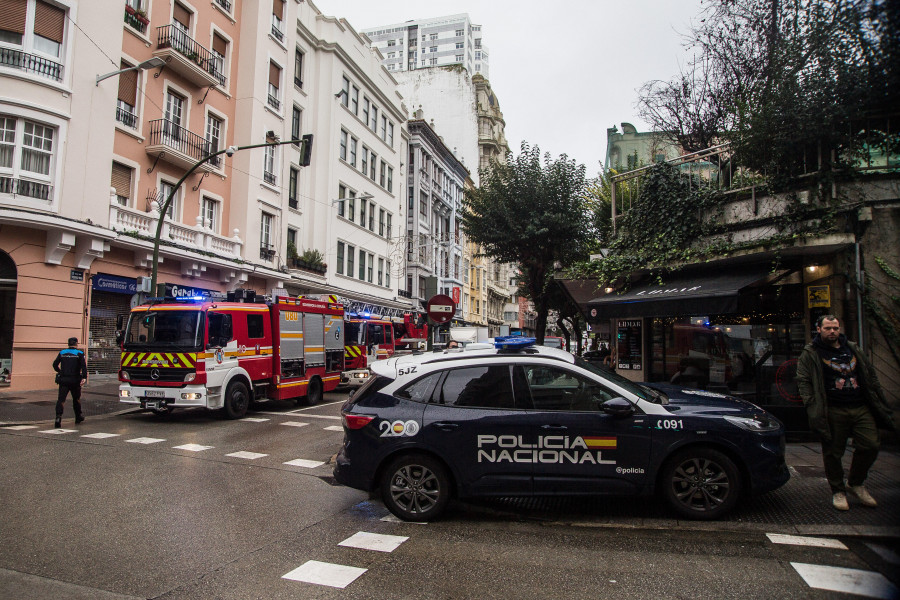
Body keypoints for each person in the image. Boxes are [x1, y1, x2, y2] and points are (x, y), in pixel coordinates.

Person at [796, 315, 895, 511]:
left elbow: (868, 372)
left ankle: (856, 482)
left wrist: (877, 395)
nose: (832, 332)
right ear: (819, 329)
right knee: (833, 452)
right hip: (832, 408)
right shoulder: (812, 353)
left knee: (871, 444)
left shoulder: (852, 348)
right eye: (827, 328)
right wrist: (811, 404)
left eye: (835, 328)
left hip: (859, 405)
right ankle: (838, 491)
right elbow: (803, 380)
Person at [52, 337, 87, 428]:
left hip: (63, 380)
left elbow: (55, 364)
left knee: (61, 400)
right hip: (75, 380)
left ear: (68, 344)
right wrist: (84, 377)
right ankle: (78, 416)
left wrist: (60, 371)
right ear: (76, 344)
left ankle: (58, 418)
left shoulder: (62, 353)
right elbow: (83, 366)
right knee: (76, 399)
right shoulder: (79, 353)